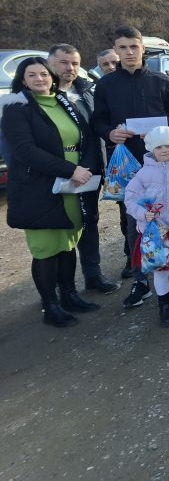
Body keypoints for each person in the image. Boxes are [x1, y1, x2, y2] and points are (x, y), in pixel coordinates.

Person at [0, 57, 102, 327]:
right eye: (32, 75)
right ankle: (51, 305)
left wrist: (85, 168)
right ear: (23, 81)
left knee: (67, 242)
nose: (39, 79)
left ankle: (70, 296)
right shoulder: (16, 108)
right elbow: (25, 150)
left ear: (52, 77)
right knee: (46, 248)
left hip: (72, 186)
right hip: (39, 189)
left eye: (44, 74)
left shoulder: (64, 102)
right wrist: (70, 170)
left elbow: (87, 138)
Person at [91, 25, 169, 308]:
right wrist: (110, 133)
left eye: (134, 46)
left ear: (143, 48)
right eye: (123, 47)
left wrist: (163, 135)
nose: (129, 52)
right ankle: (141, 281)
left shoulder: (160, 81)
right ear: (116, 51)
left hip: (164, 163)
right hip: (129, 166)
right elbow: (97, 121)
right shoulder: (105, 85)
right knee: (135, 224)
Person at [47, 43, 119, 294]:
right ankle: (58, 285)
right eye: (63, 63)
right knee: (58, 226)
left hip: (89, 170)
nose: (70, 68)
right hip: (55, 173)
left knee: (89, 221)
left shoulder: (86, 90)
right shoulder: (41, 96)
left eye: (75, 63)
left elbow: (95, 129)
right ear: (50, 64)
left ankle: (93, 275)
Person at [124, 126, 169, 326]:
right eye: (159, 147)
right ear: (151, 149)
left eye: (168, 146)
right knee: (160, 270)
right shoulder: (143, 173)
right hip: (153, 233)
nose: (164, 150)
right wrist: (142, 214)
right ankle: (165, 307)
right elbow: (130, 198)